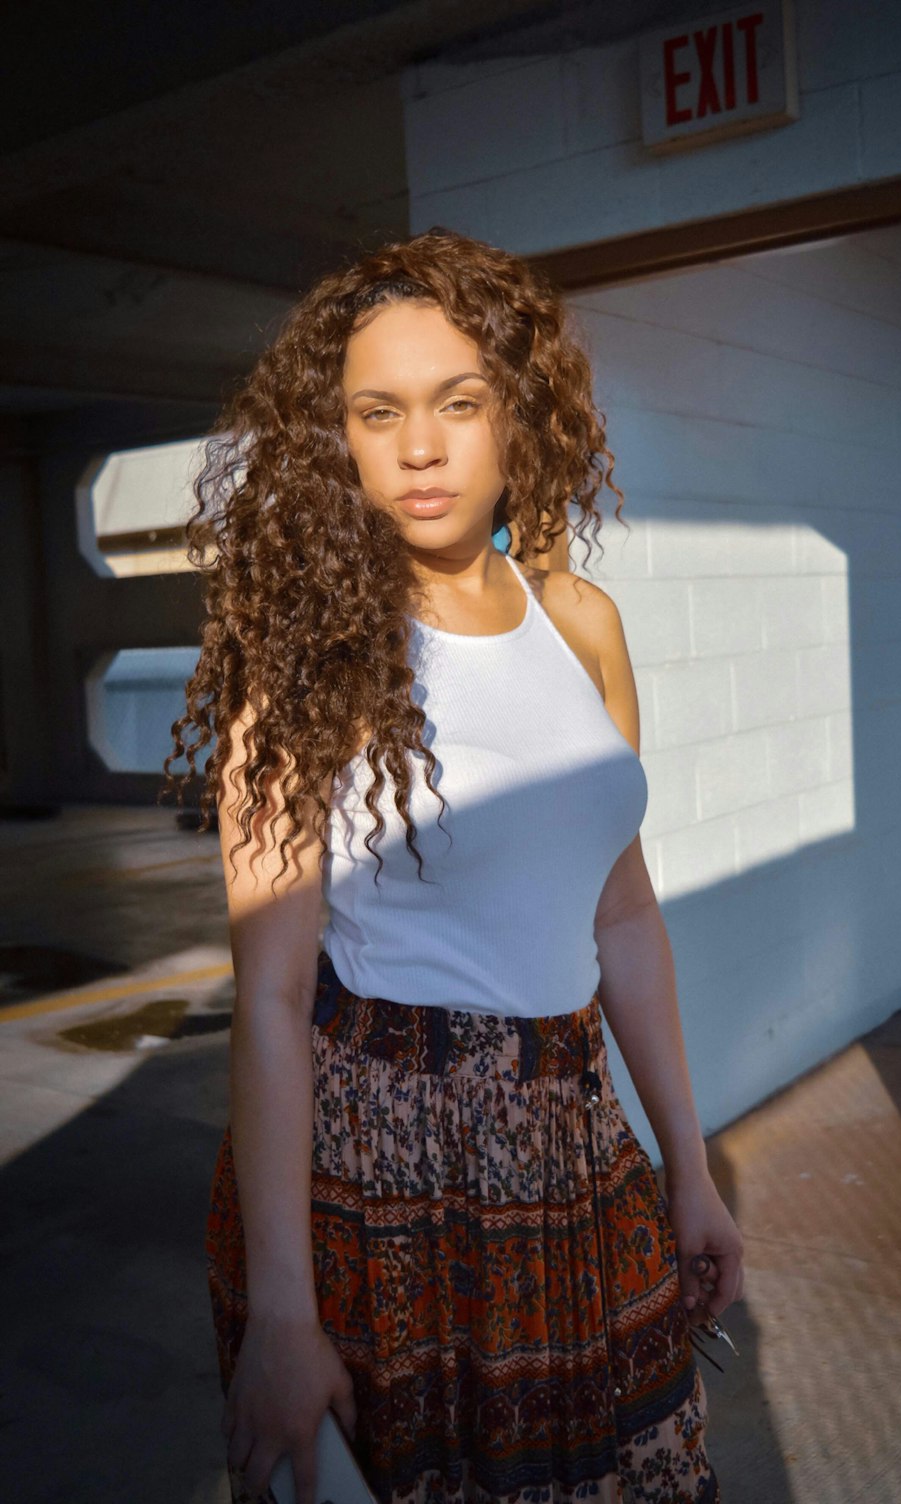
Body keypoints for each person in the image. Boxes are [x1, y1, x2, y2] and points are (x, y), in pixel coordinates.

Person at [163, 226, 744, 1504]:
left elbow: (626, 917)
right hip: (384, 1175)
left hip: (578, 1148)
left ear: (516, 415)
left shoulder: (581, 621)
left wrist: (685, 1168)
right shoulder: (306, 647)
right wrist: (280, 1314)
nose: (419, 449)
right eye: (378, 413)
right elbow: (268, 995)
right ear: (341, 440)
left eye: (457, 403)